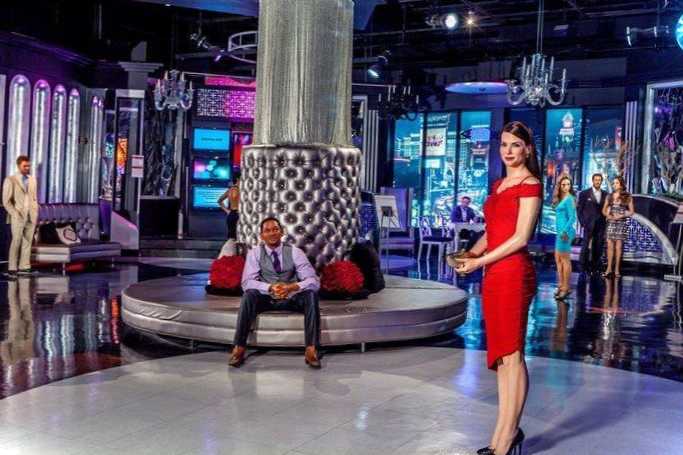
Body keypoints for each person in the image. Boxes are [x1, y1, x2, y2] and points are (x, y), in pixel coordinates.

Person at [452, 121, 541, 455]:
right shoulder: (498, 184)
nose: (508, 150)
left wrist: (480, 262)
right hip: (493, 275)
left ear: (527, 149)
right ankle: (505, 433)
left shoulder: (531, 185)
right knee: (503, 356)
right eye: (504, 144)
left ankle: (506, 438)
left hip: (515, 274)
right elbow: (493, 232)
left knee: (513, 354)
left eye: (515, 144)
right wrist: (472, 254)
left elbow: (520, 238)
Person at [229, 217, 322, 369]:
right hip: (267, 299)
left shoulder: (295, 252)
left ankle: (311, 349)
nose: (272, 233)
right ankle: (239, 347)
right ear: (262, 236)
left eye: (275, 229)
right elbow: (247, 282)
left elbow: (313, 280)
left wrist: (292, 287)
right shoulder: (255, 253)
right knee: (249, 294)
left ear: (282, 232)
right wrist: (270, 287)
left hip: (291, 298)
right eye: (267, 231)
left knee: (311, 294)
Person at [2, 156, 39, 278]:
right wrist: (15, 213)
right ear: (18, 166)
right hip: (18, 215)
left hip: (31, 215)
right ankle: (12, 268)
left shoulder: (32, 179)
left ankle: (24, 266)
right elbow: (6, 201)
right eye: (25, 166)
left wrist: (36, 210)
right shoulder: (10, 180)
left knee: (28, 241)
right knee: (16, 241)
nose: (27, 168)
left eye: (28, 166)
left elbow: (34, 198)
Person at [602, 176, 634, 278]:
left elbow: (631, 211)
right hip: (611, 222)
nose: (614, 185)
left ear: (621, 184)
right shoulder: (609, 196)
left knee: (618, 247)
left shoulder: (627, 196)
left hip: (621, 223)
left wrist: (621, 215)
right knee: (610, 246)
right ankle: (608, 268)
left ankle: (616, 269)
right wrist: (608, 215)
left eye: (616, 183)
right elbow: (604, 210)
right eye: (613, 183)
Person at [553, 175, 577, 300]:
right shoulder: (561, 198)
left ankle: (566, 287)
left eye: (568, 184)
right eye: (563, 184)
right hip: (559, 232)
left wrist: (564, 231)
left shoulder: (570, 199)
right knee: (558, 259)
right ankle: (561, 285)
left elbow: (572, 218)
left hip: (565, 233)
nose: (566, 187)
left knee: (565, 260)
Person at [577, 173, 606, 274]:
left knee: (598, 245)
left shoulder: (605, 194)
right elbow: (579, 209)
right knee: (585, 245)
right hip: (588, 223)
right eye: (596, 180)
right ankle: (582, 266)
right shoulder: (584, 193)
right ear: (592, 181)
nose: (597, 181)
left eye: (599, 180)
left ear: (601, 181)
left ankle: (595, 266)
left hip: (600, 224)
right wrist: (582, 222)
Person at [218, 174, 240, 240]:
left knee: (232, 237)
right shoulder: (239, 190)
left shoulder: (230, 190)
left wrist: (228, 211)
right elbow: (219, 201)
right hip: (237, 215)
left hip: (232, 215)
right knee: (235, 237)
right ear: (238, 179)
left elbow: (219, 201)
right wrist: (227, 211)